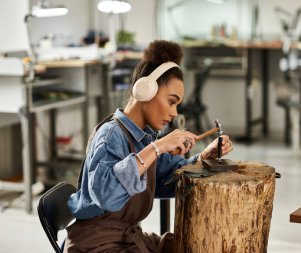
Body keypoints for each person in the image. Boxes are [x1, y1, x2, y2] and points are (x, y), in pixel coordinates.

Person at [63, 40, 233, 253]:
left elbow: (168, 178)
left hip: (124, 238)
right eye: (171, 102)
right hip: (95, 245)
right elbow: (105, 195)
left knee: (192, 245)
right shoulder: (111, 135)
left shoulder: (142, 139)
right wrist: (158, 147)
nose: (174, 113)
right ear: (145, 90)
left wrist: (203, 159)